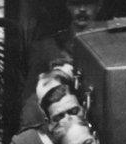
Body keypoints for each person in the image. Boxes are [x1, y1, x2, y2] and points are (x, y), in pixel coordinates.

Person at [19, 1, 103, 129]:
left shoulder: (110, 48)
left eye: (88, 3)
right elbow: (31, 102)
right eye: (76, 3)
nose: (82, 9)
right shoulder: (47, 49)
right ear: (67, 5)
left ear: (99, 5)